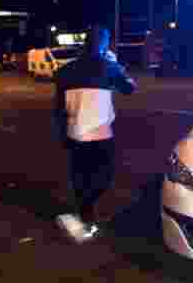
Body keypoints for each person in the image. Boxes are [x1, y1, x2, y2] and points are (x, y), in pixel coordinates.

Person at [54, 25, 137, 242]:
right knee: (104, 176)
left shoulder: (65, 71)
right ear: (104, 44)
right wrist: (116, 64)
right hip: (101, 134)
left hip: (74, 134)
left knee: (80, 176)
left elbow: (58, 108)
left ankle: (85, 210)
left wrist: (62, 134)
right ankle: (87, 208)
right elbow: (129, 89)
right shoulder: (110, 67)